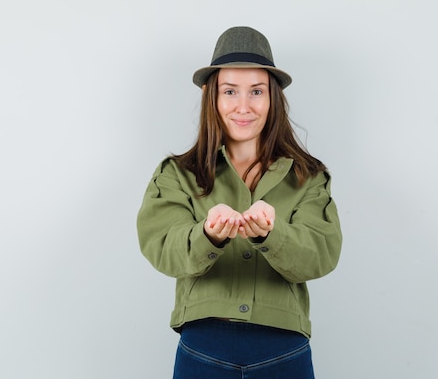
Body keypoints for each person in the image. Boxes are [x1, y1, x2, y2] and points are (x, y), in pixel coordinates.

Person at [137, 26, 342, 379]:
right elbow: (162, 247)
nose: (243, 106)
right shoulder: (177, 174)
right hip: (203, 350)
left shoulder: (308, 176)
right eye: (230, 91)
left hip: (283, 352)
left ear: (273, 97)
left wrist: (272, 236)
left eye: (257, 92)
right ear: (210, 95)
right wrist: (208, 235)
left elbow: (321, 253)